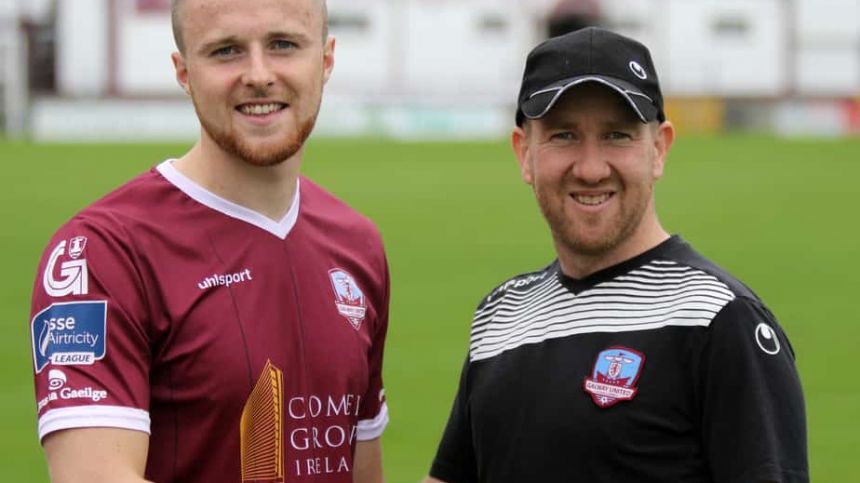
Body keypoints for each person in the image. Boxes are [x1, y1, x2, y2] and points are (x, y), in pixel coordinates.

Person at [28, 0, 390, 481]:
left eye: (283, 45)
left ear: (325, 60)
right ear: (184, 72)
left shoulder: (358, 246)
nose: (259, 74)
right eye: (226, 51)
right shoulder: (102, 252)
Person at [426, 27, 808, 483]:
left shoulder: (717, 320)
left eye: (617, 136)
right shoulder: (500, 316)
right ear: (524, 154)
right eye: (564, 135)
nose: (590, 168)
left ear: (659, 150)